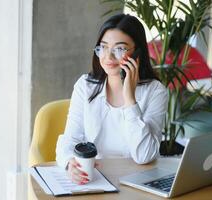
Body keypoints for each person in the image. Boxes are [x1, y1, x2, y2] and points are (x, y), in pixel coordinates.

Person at [56, 14, 168, 185]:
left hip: (137, 183)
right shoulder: (85, 86)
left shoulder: (155, 91)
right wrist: (69, 163)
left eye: (119, 49)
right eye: (103, 47)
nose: (108, 57)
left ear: (137, 53)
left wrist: (130, 99)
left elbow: (145, 156)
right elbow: (70, 140)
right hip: (95, 179)